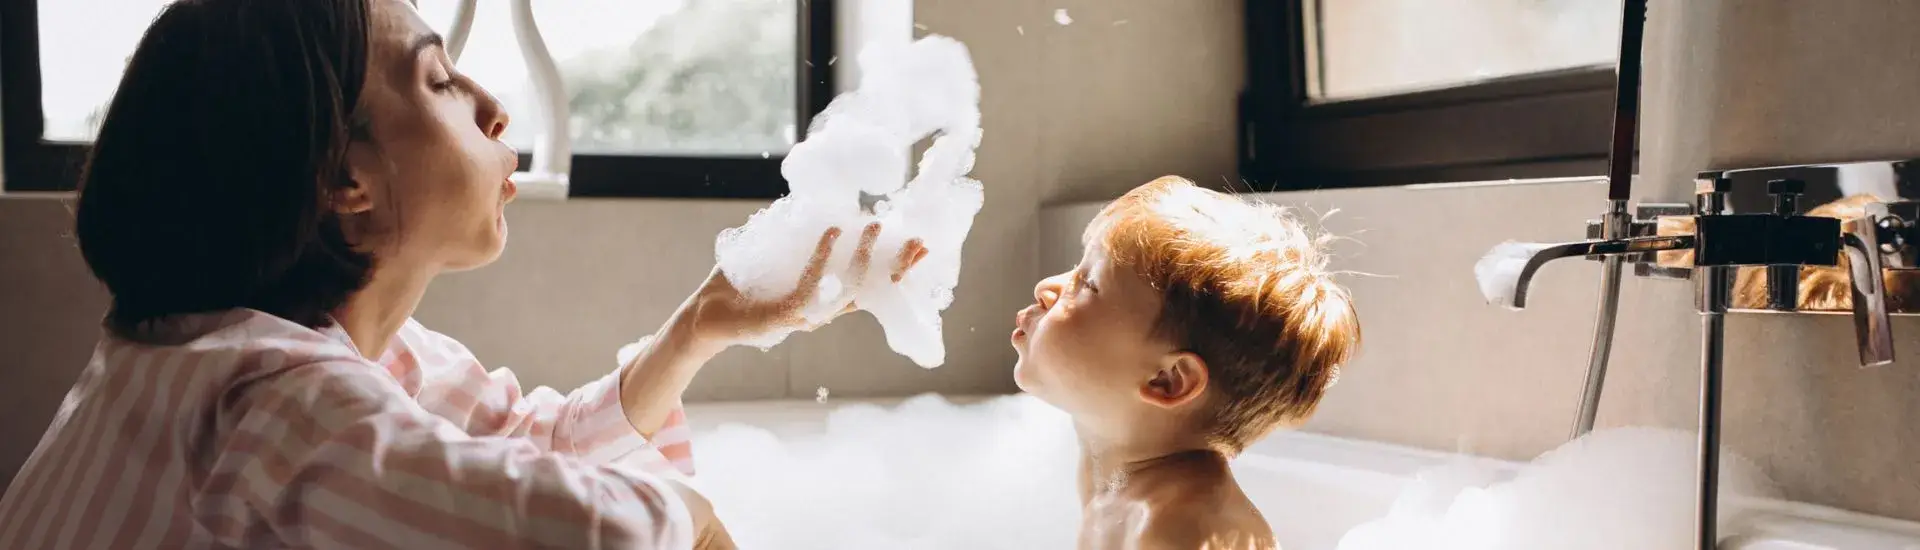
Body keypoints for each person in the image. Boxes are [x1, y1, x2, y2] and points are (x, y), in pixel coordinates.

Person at [0, 0, 920, 548]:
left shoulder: (282, 346)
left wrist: (697, 329)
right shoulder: (265, 398)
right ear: (340, 177)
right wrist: (692, 510)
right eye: (440, 83)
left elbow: (531, 445)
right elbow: (591, 534)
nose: (494, 109)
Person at [1010, 176, 1361, 549]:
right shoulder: (1112, 465)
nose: (1046, 287)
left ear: (1168, 381)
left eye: (1089, 284)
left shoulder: (1183, 528)